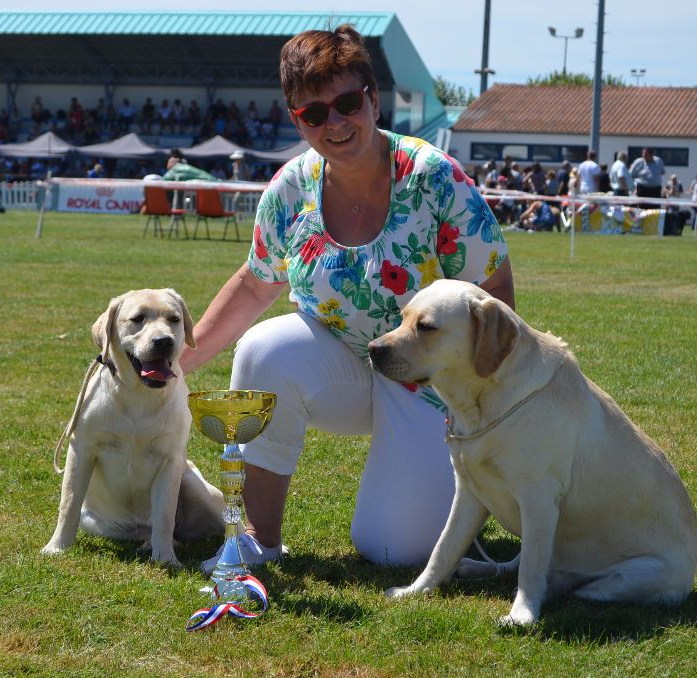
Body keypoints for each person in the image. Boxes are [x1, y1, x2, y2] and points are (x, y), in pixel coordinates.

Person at [181, 24, 514, 572]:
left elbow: (495, 290)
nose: (335, 122)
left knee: (393, 550)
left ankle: (456, 510)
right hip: (345, 367)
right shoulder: (290, 188)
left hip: (431, 383)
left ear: (373, 99)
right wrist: (183, 360)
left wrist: (475, 395)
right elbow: (254, 283)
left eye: (347, 102)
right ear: (297, 120)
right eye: (314, 113)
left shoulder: (434, 178)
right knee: (264, 349)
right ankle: (259, 540)